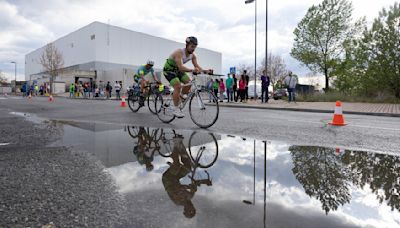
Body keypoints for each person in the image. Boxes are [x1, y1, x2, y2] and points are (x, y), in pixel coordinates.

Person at [162, 134, 211, 219]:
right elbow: (194, 184)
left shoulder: (178, 201)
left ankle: (176, 144)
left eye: (190, 209)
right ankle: (180, 146)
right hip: (176, 178)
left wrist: (185, 187)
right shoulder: (190, 196)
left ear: (185, 209)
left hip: (168, 179)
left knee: (177, 166)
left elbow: (175, 189)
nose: (192, 207)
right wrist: (204, 181)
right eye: (193, 209)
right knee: (188, 167)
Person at [162, 36, 213, 118]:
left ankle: (180, 97)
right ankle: (176, 109)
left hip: (178, 71)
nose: (193, 49)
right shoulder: (179, 52)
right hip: (169, 70)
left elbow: (197, 66)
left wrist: (206, 71)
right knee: (177, 86)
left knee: (189, 83)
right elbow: (181, 67)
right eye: (192, 46)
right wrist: (192, 70)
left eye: (195, 47)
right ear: (187, 45)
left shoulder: (193, 56)